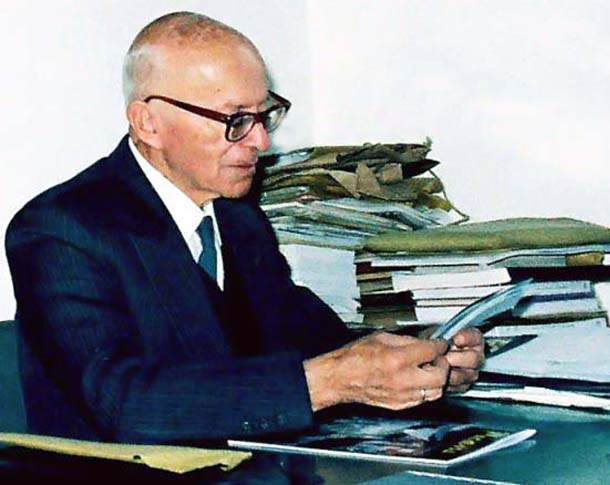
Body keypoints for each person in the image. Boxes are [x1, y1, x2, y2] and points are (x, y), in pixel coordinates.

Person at [5, 11, 484, 443]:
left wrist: (418, 358)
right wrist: (330, 381)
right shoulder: (61, 230)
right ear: (148, 123)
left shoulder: (237, 216)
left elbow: (309, 338)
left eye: (264, 115)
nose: (261, 140)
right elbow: (122, 402)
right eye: (235, 120)